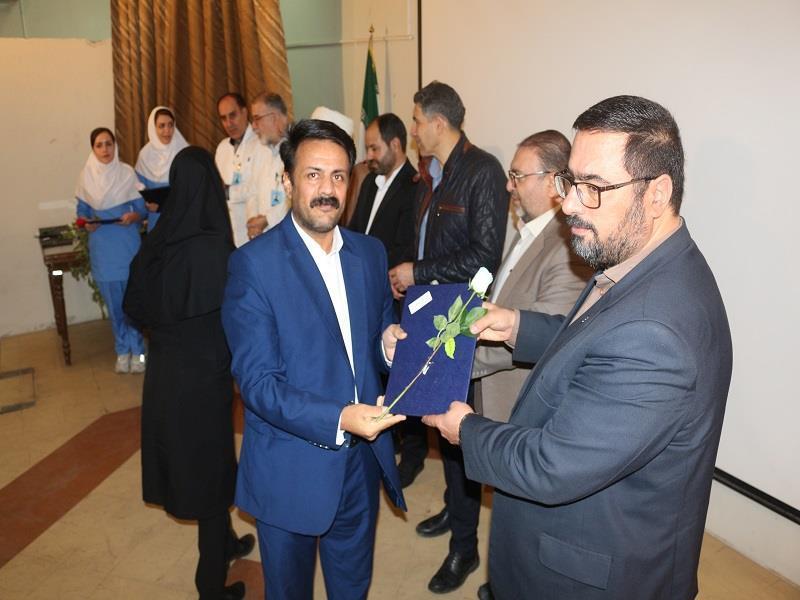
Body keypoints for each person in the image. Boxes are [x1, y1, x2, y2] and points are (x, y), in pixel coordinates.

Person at [423, 95, 733, 600]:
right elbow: (594, 342)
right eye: (571, 182)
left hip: (592, 576)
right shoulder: (637, 259)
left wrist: (467, 430)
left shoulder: (657, 333)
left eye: (593, 188)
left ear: (657, 193)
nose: (567, 204)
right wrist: (517, 325)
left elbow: (552, 466)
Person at [221, 119, 407, 600]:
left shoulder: (369, 254)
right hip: (290, 468)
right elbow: (258, 384)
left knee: (352, 588)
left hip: (361, 464)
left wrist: (387, 347)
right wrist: (340, 417)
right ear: (287, 181)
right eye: (313, 175)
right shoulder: (253, 265)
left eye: (339, 176)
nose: (328, 190)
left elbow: (369, 345)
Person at [388, 81, 508, 594]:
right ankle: (455, 512)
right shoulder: (428, 176)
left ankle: (465, 546)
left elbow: (485, 257)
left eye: (416, 120)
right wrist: (411, 276)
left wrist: (418, 271)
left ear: (438, 122)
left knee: (456, 428)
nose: (413, 129)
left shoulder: (482, 171)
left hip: (458, 318)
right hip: (426, 313)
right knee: (438, 421)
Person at [124, 146, 253, 600]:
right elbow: (239, 318)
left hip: (164, 378)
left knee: (196, 465)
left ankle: (227, 543)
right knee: (212, 477)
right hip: (205, 382)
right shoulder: (217, 248)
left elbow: (133, 306)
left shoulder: (157, 241)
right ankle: (210, 586)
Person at [469, 130, 593, 600]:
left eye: (518, 175)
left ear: (554, 181)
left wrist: (455, 362)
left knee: (524, 521)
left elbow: (545, 334)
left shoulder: (565, 246)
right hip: (498, 398)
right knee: (505, 511)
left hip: (523, 408)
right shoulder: (529, 233)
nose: (510, 186)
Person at [75, 127, 147, 374]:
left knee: (133, 304)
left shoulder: (127, 173)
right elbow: (81, 213)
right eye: (99, 145)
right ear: (93, 149)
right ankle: (122, 351)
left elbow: (142, 209)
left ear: (115, 146)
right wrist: (87, 223)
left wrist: (133, 216)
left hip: (127, 247)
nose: (105, 149)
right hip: (103, 250)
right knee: (115, 308)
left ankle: (139, 352)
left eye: (109, 144)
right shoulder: (86, 177)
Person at [348, 112, 417, 275]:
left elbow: (404, 249)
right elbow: (354, 231)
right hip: (358, 273)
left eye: (374, 148)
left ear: (395, 145)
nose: (368, 156)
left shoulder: (413, 186)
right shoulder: (369, 181)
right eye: (367, 149)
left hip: (385, 278)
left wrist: (366, 268)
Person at [214, 92, 259, 247]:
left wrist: (228, 191)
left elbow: (259, 188)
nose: (229, 123)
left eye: (233, 115)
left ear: (245, 112)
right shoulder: (222, 148)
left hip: (254, 231)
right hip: (227, 234)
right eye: (223, 118)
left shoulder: (260, 143)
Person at [134, 105, 188, 232]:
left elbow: (192, 188)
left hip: (181, 219)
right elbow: (138, 189)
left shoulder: (184, 152)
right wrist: (146, 204)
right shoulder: (145, 155)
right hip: (156, 219)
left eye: (170, 125)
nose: (167, 130)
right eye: (161, 126)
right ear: (153, 128)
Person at [246, 92, 291, 239]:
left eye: (257, 119)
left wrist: (268, 220)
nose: (253, 127)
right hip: (262, 236)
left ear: (274, 118)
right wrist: (253, 220)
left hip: (286, 235)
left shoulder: (297, 150)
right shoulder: (259, 150)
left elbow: (295, 199)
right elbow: (251, 191)